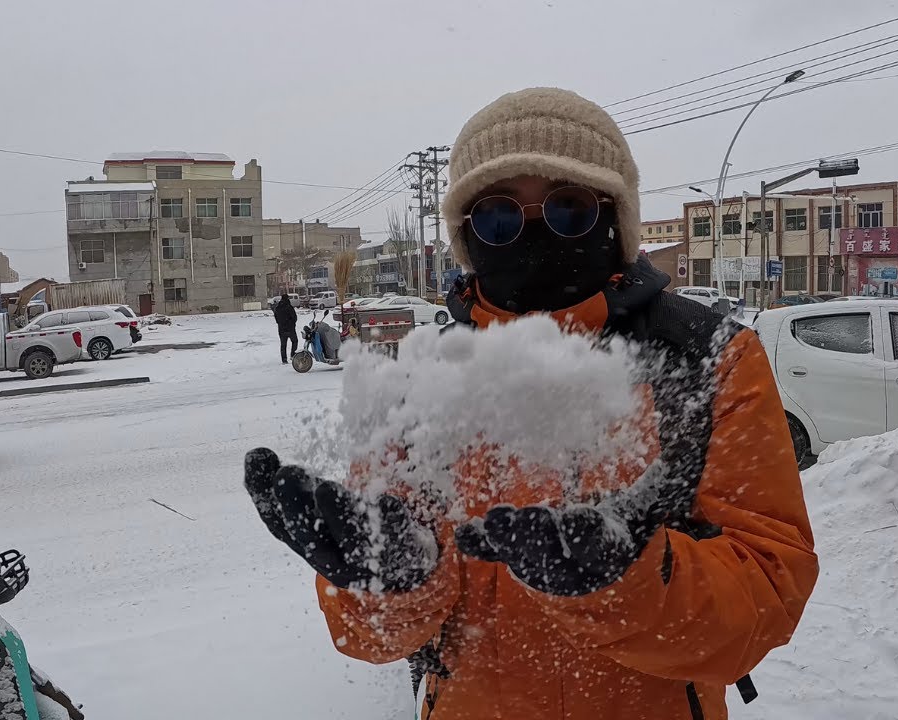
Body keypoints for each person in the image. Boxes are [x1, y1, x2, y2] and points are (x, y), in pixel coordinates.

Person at [244, 88, 818, 719]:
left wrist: (628, 582)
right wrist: (393, 581)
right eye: (498, 216)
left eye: (569, 206)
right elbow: (372, 637)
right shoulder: (423, 381)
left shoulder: (705, 359)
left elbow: (768, 592)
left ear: (614, 222)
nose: (534, 232)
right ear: (469, 235)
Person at [273, 293, 298, 364]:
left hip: (281, 329)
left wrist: (281, 324)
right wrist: (292, 324)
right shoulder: (289, 307)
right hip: (290, 329)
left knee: (283, 345)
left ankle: (284, 359)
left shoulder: (277, 308)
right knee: (295, 341)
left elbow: (276, 318)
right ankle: (293, 355)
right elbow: (294, 317)